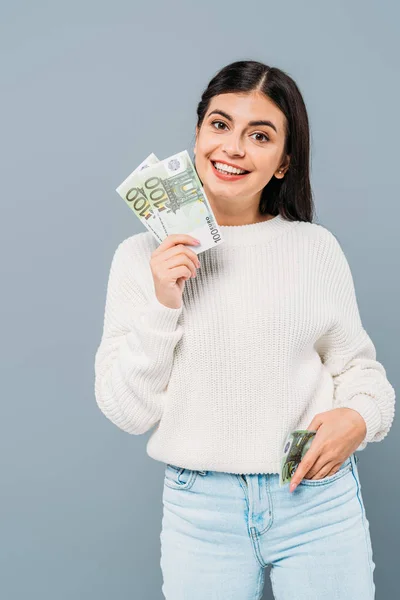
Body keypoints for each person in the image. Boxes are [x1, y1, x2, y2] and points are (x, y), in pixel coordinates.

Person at [94, 60, 395, 599]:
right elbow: (127, 411)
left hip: (315, 500)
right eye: (219, 124)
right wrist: (164, 303)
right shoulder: (139, 258)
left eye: (260, 135)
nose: (233, 147)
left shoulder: (313, 248)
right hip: (200, 510)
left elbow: (359, 370)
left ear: (283, 163)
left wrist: (360, 416)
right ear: (197, 135)